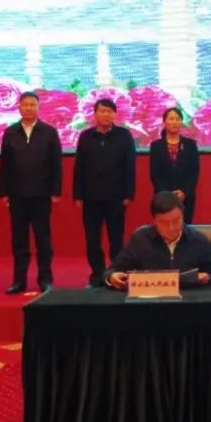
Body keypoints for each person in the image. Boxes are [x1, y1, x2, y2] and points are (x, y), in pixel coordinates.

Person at [0, 91, 62, 294]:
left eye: (32, 104)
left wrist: (56, 191)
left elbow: (56, 164)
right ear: (18, 107)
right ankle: (19, 281)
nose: (28, 108)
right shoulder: (10, 132)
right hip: (17, 195)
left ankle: (45, 279)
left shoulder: (49, 132)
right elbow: (5, 165)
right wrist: (4, 192)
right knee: (19, 240)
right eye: (25, 104)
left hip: (41, 194)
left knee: (43, 239)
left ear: (38, 107)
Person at [73, 98, 136, 289]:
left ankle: (116, 274)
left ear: (115, 114)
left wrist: (128, 194)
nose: (106, 114)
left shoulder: (124, 135)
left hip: (116, 197)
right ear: (95, 114)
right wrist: (78, 194)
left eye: (109, 111)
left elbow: (130, 166)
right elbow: (79, 167)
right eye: (102, 111)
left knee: (116, 239)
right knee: (92, 240)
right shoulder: (85, 136)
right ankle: (97, 275)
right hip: (91, 198)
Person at [105, 191, 211, 289]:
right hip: (150, 302)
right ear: (154, 221)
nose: (171, 228)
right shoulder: (140, 239)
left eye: (176, 220)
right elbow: (112, 270)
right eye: (164, 223)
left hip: (188, 301)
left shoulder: (198, 240)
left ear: (183, 216)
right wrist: (111, 277)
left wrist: (207, 277)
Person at [149, 107, 200, 224]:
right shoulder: (156, 146)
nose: (174, 122)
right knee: (165, 227)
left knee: (185, 228)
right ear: (164, 122)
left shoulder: (190, 145)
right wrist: (167, 195)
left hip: (186, 198)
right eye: (171, 119)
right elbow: (154, 174)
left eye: (177, 119)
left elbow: (194, 172)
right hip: (163, 198)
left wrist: (184, 192)